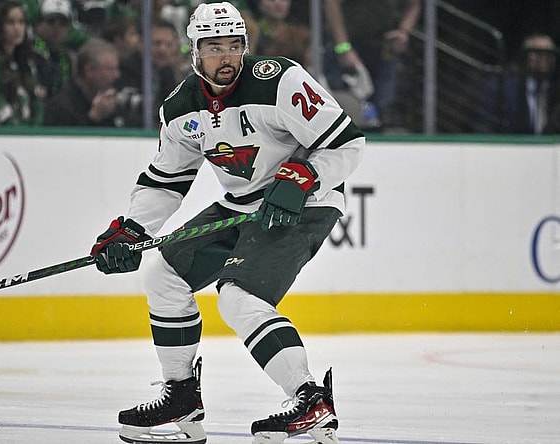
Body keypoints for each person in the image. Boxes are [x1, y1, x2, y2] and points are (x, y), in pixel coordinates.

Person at [88, 3, 364, 444]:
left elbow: (346, 144)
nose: (226, 57)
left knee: (238, 297)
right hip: (242, 205)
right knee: (163, 272)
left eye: (234, 46)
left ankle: (310, 400)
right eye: (214, 47)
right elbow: (166, 180)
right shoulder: (181, 108)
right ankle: (181, 397)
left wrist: (304, 178)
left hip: (302, 203)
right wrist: (131, 229)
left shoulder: (280, 80)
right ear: (194, 52)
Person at [323, 0, 421, 130]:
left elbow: (414, 4)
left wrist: (403, 31)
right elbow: (331, 3)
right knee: (344, 108)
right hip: (351, 44)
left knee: (385, 105)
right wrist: (343, 46)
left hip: (385, 45)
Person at [44, 37, 139, 127]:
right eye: (110, 69)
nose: (117, 75)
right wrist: (94, 118)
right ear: (89, 71)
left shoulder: (113, 104)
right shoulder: (60, 107)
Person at [0, 0, 45, 125]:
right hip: (4, 134)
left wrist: (35, 130)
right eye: (11, 22)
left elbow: (35, 102)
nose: (17, 28)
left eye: (21, 22)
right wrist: (15, 130)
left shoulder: (27, 62)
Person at [500, 33, 558, 134]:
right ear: (526, 57)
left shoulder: (556, 91)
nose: (545, 58)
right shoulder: (507, 88)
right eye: (539, 53)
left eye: (550, 54)